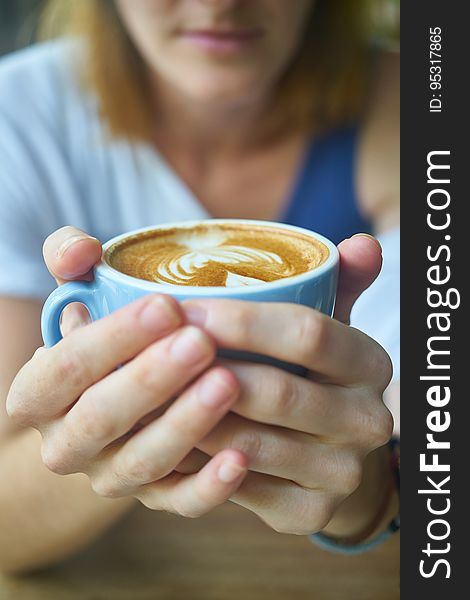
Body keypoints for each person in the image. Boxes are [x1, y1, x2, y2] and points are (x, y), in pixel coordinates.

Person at [0, 0, 399, 574]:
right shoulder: (18, 115)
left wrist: (367, 491)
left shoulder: (428, 101)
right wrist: (104, 433)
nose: (219, 6)